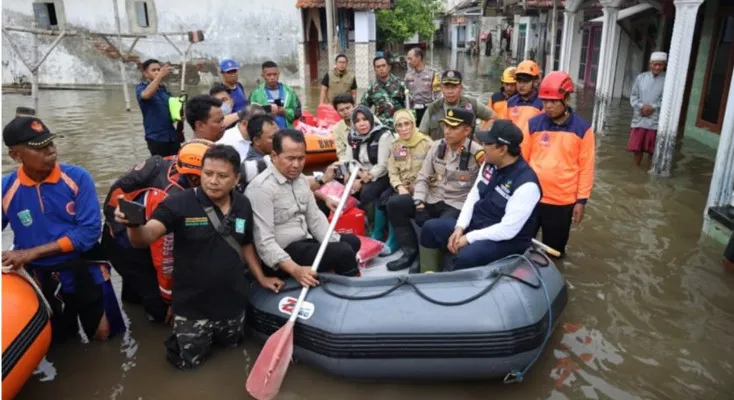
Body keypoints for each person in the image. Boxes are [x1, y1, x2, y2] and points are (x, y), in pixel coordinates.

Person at [116, 145, 263, 368]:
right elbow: (145, 237)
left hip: (232, 303)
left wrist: (261, 278)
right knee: (189, 365)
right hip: (193, 309)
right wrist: (133, 224)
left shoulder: (242, 204)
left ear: (236, 179)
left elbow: (246, 244)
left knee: (232, 357)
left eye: (222, 176)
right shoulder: (178, 204)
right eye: (208, 173)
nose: (213, 181)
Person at [2, 116, 125, 343]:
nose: (50, 151)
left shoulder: (78, 178)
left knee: (106, 337)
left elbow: (88, 233)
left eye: (50, 143)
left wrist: (30, 253)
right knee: (60, 342)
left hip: (84, 267)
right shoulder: (6, 188)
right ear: (16, 155)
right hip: (41, 277)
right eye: (39, 147)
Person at [102, 140, 212, 323]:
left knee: (136, 290)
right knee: (160, 306)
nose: (216, 179)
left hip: (120, 229)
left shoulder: (177, 163)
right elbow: (164, 257)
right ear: (194, 178)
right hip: (127, 242)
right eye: (210, 174)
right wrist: (169, 299)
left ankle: (135, 310)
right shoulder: (170, 199)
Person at [420, 120, 541, 272]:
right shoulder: (489, 164)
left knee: (466, 256)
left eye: (487, 144)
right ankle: (427, 275)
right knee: (430, 228)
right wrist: (460, 227)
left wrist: (468, 238)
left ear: (502, 149)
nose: (482, 148)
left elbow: (508, 230)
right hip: (477, 225)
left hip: (505, 240)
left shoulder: (526, 185)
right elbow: (474, 195)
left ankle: (454, 284)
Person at [246, 129, 362, 287]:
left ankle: (332, 277)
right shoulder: (261, 189)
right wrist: (295, 270)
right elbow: (264, 243)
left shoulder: (300, 180)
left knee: (352, 242)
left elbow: (315, 219)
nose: (296, 165)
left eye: (301, 158)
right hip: (282, 255)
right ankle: (353, 291)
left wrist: (333, 242)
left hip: (303, 242)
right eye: (290, 159)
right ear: (274, 156)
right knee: (343, 252)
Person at [525, 71, 595, 257]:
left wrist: (581, 201)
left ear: (566, 99)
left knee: (554, 252)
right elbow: (522, 160)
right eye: (545, 101)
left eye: (553, 101)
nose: (547, 106)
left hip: (562, 202)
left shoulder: (583, 129)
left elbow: (586, 168)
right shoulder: (533, 124)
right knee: (520, 246)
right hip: (531, 198)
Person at [411, 108, 485, 269]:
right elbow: (423, 177)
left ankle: (437, 261)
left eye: (453, 127)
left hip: (457, 203)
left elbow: (482, 189)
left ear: (467, 130)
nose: (447, 131)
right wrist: (419, 202)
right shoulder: (437, 146)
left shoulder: (477, 154)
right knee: (396, 204)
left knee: (437, 227)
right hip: (433, 197)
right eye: (446, 126)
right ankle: (413, 252)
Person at [383, 109, 433, 271]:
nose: (403, 128)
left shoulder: (426, 144)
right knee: (392, 203)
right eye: (399, 126)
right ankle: (409, 251)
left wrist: (417, 191)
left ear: (413, 124)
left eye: (407, 124)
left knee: (405, 206)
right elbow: (393, 171)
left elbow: (435, 173)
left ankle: (421, 256)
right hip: (405, 190)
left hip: (426, 192)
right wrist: (399, 186)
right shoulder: (397, 146)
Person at [419, 70, 494, 140]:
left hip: (465, 151)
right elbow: (422, 135)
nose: (450, 91)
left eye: (454, 87)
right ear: (441, 88)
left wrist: (480, 137)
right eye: (447, 87)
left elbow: (493, 117)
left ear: (461, 88)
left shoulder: (472, 104)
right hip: (439, 152)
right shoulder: (433, 108)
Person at [628, 52, 666, 166]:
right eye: (655, 64)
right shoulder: (641, 78)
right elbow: (633, 96)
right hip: (640, 117)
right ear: (650, 64)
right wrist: (641, 106)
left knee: (652, 150)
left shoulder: (667, 80)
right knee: (637, 149)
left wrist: (653, 107)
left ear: (664, 65)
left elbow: (667, 100)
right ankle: (636, 171)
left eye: (660, 65)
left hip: (655, 120)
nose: (657, 67)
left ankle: (649, 170)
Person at [136, 59, 180, 157]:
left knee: (175, 166)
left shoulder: (163, 89)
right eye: (153, 70)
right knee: (161, 167)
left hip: (172, 135)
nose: (157, 72)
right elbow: (146, 95)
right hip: (156, 137)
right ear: (146, 73)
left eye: (158, 70)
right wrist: (160, 76)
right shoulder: (141, 87)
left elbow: (173, 107)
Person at [360, 55, 408, 130]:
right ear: (375, 69)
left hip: (401, 127)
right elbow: (363, 108)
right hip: (381, 129)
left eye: (383, 65)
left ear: (388, 67)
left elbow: (410, 105)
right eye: (378, 67)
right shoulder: (372, 88)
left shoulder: (400, 84)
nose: (381, 69)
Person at [249, 61, 300, 129]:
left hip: (287, 133)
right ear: (263, 76)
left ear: (279, 74)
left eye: (275, 74)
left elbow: (298, 113)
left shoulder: (289, 92)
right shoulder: (255, 94)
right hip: (266, 134)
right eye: (269, 75)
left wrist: (285, 112)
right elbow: (250, 115)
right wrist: (267, 114)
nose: (272, 77)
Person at [505, 60, 543, 149]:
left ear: (535, 81)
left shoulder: (542, 103)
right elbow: (505, 127)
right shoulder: (511, 102)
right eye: (519, 81)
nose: (521, 85)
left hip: (533, 148)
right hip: (513, 148)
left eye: (525, 81)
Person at [405, 47, 442, 124]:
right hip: (413, 111)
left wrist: (438, 112)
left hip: (428, 110)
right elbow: (406, 94)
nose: (408, 62)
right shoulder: (408, 74)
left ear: (419, 58)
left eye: (410, 59)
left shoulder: (432, 73)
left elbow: (438, 95)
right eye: (407, 59)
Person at [332, 93, 355, 161]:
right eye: (341, 110)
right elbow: (341, 152)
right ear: (337, 112)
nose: (346, 112)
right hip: (352, 161)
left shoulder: (369, 118)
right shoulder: (337, 129)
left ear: (354, 106)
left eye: (348, 108)